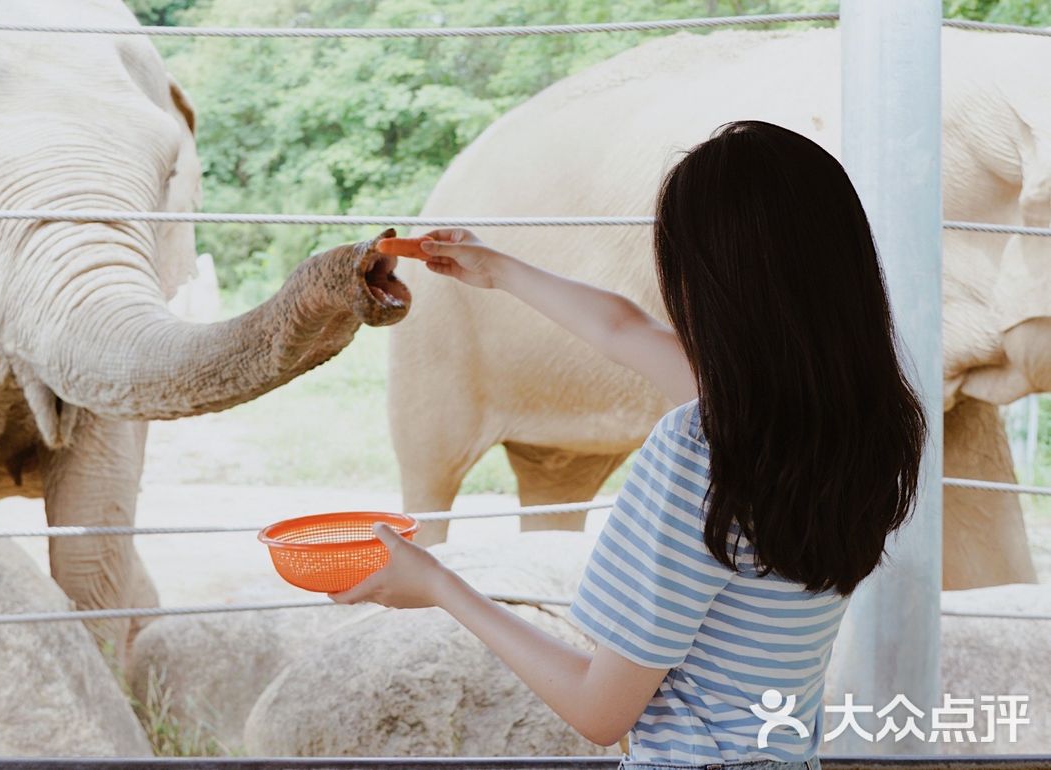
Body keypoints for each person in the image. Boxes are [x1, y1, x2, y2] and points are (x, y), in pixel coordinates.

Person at [330, 120, 928, 770]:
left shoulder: (701, 451)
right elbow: (625, 328)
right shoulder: (860, 421)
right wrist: (497, 268)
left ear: (709, 281)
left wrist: (438, 583)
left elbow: (601, 711)